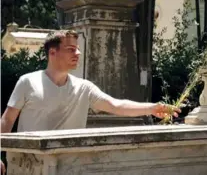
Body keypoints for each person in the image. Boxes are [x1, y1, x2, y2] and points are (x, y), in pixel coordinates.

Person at [0, 30, 181, 174]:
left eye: (77, 48)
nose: (77, 53)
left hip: (70, 165)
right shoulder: (27, 81)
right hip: (28, 166)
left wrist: (152, 108)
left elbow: (116, 105)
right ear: (52, 52)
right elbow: (7, 120)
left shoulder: (84, 87)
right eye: (71, 49)